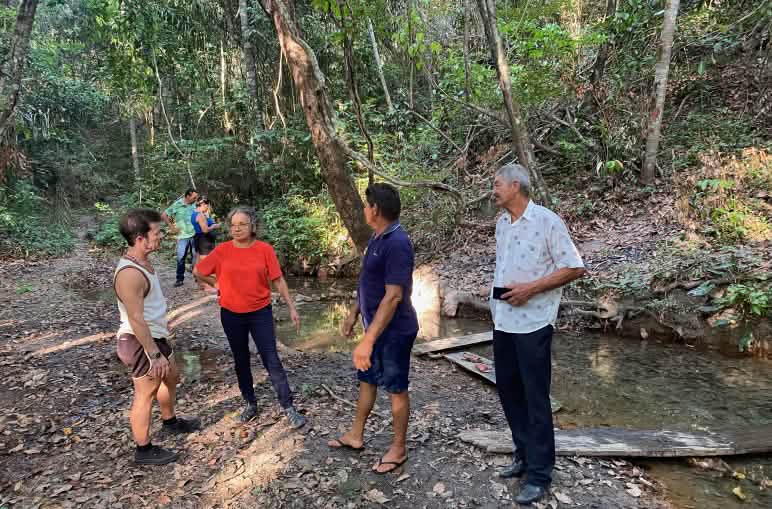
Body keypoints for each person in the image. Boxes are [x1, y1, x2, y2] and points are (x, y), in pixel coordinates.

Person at [488, 164, 585, 505]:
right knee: (509, 390)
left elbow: (575, 266)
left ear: (516, 186)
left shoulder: (547, 221)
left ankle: (540, 474)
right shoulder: (502, 224)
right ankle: (524, 454)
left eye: (497, 184)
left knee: (536, 397)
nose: (493, 189)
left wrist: (531, 288)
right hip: (503, 320)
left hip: (533, 323)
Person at [328, 183, 419, 475]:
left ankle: (399, 448)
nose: (365, 210)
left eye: (367, 205)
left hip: (394, 332)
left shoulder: (398, 243)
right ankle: (356, 435)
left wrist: (368, 340)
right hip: (375, 329)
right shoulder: (377, 238)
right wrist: (353, 313)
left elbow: (393, 296)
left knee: (395, 388)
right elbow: (368, 284)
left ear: (376, 209)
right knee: (366, 380)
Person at [193, 207, 307, 428]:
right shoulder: (223, 250)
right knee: (241, 359)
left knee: (271, 359)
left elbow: (278, 280)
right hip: (231, 314)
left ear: (252, 226)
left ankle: (288, 406)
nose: (236, 229)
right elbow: (199, 271)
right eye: (233, 225)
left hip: (260, 313)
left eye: (242, 224)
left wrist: (292, 307)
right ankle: (250, 404)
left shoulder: (264, 250)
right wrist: (216, 285)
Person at [114, 208, 200, 465]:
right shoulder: (130, 274)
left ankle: (170, 421)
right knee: (145, 393)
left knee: (171, 377)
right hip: (140, 341)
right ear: (140, 238)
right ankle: (143, 450)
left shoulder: (143, 262)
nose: (161, 236)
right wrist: (153, 354)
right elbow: (136, 319)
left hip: (155, 337)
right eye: (156, 232)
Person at [161, 189, 199, 287]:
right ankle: (179, 279)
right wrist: (171, 227)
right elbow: (164, 215)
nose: (196, 199)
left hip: (195, 234)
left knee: (195, 257)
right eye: (194, 197)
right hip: (182, 236)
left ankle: (197, 278)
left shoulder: (195, 205)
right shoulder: (177, 204)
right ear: (187, 196)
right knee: (181, 258)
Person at [191, 199, 220, 292]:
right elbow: (205, 230)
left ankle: (201, 284)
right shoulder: (200, 215)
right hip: (204, 240)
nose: (207, 208)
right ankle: (208, 286)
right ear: (202, 204)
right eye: (207, 206)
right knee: (206, 264)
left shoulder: (194, 214)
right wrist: (214, 226)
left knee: (198, 263)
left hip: (198, 238)